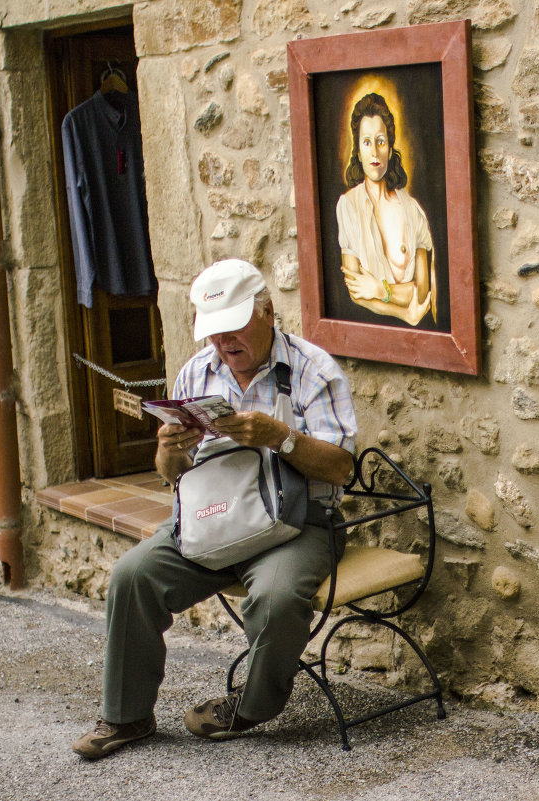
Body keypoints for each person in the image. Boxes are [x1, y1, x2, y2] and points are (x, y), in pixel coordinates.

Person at [72, 259, 357, 759]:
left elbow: (340, 471)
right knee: (132, 575)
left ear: (268, 312)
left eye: (233, 328)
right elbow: (173, 473)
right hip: (216, 515)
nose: (223, 343)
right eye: (214, 332)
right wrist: (168, 446)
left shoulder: (313, 370)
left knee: (276, 596)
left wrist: (280, 438)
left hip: (299, 524)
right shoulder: (196, 371)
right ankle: (127, 716)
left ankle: (249, 706)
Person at [336, 92, 434, 326]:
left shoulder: (412, 210)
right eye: (367, 142)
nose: (375, 152)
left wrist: (381, 290)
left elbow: (422, 294)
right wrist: (404, 313)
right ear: (358, 152)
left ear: (390, 149)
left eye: (381, 141)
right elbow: (356, 293)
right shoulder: (348, 206)